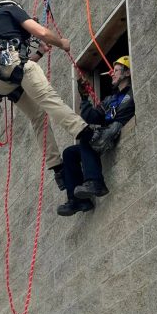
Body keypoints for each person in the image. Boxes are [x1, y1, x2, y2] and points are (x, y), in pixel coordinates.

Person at [0, 0, 90, 189]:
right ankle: (88, 134)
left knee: (38, 117)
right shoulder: (11, 10)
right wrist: (62, 43)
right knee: (49, 98)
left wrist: (39, 53)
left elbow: (15, 66)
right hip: (11, 65)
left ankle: (57, 169)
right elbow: (42, 32)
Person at [57, 56, 134, 216]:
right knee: (69, 153)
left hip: (113, 132)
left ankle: (95, 182)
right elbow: (90, 116)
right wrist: (84, 97)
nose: (111, 74)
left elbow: (117, 119)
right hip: (104, 134)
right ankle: (78, 201)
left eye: (116, 70)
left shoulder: (131, 94)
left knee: (86, 138)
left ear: (127, 73)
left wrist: (105, 124)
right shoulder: (110, 100)